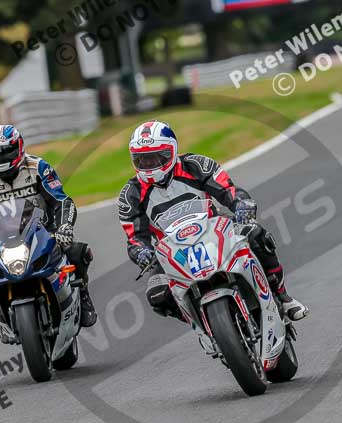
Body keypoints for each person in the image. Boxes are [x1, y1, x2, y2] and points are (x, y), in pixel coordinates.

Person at [117, 120, 308, 322]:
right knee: (157, 294)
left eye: (156, 157)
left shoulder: (195, 165)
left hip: (214, 230)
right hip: (170, 252)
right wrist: (141, 252)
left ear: (171, 151)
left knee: (256, 234)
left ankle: (283, 297)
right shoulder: (130, 194)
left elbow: (228, 190)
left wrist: (241, 204)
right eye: (142, 160)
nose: (150, 165)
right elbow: (135, 237)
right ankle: (201, 323)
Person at [0, 125, 97, 342]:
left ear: (19, 148)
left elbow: (61, 201)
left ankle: (83, 296)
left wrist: (64, 228)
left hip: (43, 231)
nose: (0, 158)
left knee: (77, 252)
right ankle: (4, 316)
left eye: (5, 151)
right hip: (2, 239)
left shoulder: (38, 167)